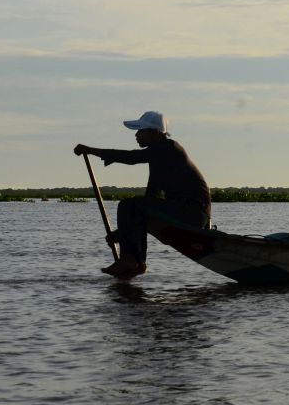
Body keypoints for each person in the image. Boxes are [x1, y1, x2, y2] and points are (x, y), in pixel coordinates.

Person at [74, 111, 210, 280]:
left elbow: (131, 157)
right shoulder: (159, 157)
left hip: (193, 213)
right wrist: (123, 232)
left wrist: (91, 150)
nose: (137, 135)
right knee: (133, 207)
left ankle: (131, 260)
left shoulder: (168, 148)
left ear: (154, 133)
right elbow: (150, 199)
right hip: (185, 211)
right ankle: (138, 263)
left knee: (127, 205)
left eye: (141, 131)